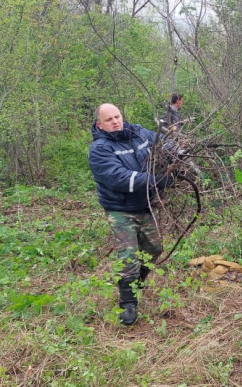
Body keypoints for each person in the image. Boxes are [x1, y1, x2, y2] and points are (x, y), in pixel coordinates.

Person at [88, 103, 174, 325]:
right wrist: (157, 181)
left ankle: (138, 282)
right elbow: (119, 177)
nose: (115, 121)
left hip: (145, 205)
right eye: (109, 119)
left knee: (155, 249)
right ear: (100, 124)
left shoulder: (138, 132)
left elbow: (162, 143)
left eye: (117, 116)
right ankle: (128, 304)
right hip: (120, 209)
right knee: (128, 258)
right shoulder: (99, 149)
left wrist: (176, 152)